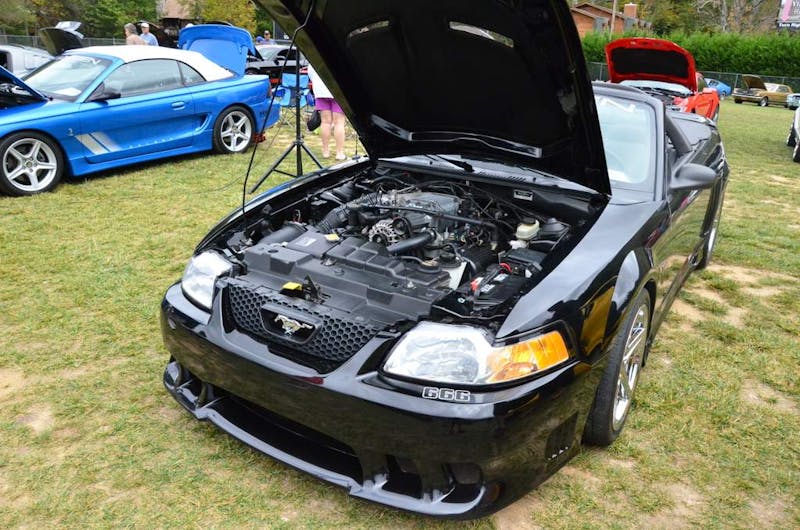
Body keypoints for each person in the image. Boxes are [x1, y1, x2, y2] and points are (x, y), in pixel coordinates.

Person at [307, 63, 346, 161]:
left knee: (325, 122)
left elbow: (310, 73)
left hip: (320, 91)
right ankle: (339, 153)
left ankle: (325, 151)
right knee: (339, 123)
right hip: (338, 91)